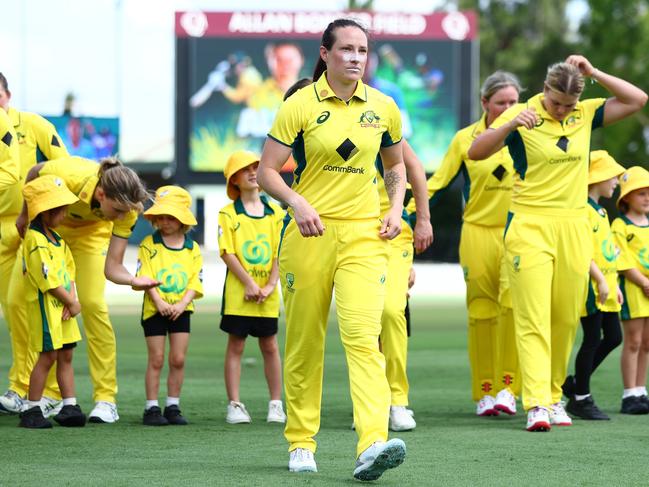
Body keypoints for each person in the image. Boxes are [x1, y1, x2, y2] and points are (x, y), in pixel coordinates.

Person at [258, 18, 408, 481]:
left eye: (362, 50)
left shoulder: (384, 107)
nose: (356, 58)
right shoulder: (298, 105)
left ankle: (373, 443)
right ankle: (301, 441)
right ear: (325, 54)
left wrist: (397, 206)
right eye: (346, 50)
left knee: (364, 338)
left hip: (365, 236)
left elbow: (396, 165)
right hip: (308, 236)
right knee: (305, 341)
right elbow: (266, 172)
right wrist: (297, 202)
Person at [468, 55, 647, 431]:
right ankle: (535, 404)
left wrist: (594, 73)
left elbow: (637, 100)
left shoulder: (584, 113)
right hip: (529, 225)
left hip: (573, 227)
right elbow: (477, 151)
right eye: (556, 103)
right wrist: (509, 125)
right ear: (544, 90)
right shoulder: (521, 113)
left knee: (565, 319)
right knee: (533, 316)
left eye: (568, 105)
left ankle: (552, 397)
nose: (563, 111)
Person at [409, 71, 522, 418]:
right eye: (501, 102)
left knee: (513, 308)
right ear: (485, 102)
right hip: (477, 232)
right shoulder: (465, 139)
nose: (508, 108)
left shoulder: (531, 133)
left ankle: (509, 388)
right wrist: (406, 215)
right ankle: (484, 392)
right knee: (481, 312)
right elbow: (438, 183)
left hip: (519, 231)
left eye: (514, 102)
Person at [15, 155, 158, 423]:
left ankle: (105, 399)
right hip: (50, 231)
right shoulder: (70, 174)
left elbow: (113, 267)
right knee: (23, 303)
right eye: (116, 210)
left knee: (93, 304)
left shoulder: (127, 211)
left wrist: (132, 280)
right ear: (101, 194)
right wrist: (25, 214)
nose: (121, 216)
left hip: (90, 238)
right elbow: (34, 171)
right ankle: (47, 394)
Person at [0, 72, 69, 415]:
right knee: (14, 310)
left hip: (31, 228)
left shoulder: (33, 125)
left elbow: (62, 164)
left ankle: (44, 389)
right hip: (2, 229)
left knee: (40, 308)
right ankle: (21, 387)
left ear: (8, 95)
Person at [218, 151, 286, 425]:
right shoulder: (227, 214)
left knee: (270, 346)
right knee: (236, 345)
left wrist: (270, 285)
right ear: (233, 179)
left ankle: (276, 404)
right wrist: (248, 283)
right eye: (244, 169)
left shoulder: (276, 213)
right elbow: (227, 252)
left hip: (267, 296)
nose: (252, 173)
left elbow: (281, 251)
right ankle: (234, 404)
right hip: (238, 295)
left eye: (255, 168)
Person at [562, 151, 624, 420]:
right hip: (591, 286)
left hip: (607, 286)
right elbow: (582, 253)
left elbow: (604, 250)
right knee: (592, 339)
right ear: (596, 177)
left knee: (613, 337)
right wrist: (599, 279)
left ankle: (575, 385)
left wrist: (614, 283)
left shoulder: (599, 210)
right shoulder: (583, 210)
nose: (616, 182)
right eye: (612, 176)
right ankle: (581, 397)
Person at [18, 175, 84, 428]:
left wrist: (71, 300)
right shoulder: (35, 239)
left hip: (63, 307)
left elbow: (70, 273)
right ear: (45, 210)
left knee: (66, 354)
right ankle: (32, 408)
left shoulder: (59, 240)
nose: (65, 213)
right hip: (46, 308)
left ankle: (69, 405)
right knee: (48, 356)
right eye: (60, 208)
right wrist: (72, 302)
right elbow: (47, 279)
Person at [137, 186, 203, 426]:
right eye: (161, 216)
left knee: (178, 359)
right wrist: (160, 301)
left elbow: (196, 280)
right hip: (155, 310)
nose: (165, 222)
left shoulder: (192, 248)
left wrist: (182, 304)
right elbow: (145, 274)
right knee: (156, 358)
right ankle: (151, 407)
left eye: (171, 217)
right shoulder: (148, 244)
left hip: (182, 311)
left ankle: (173, 405)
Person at [612, 166, 649, 415]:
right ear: (626, 198)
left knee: (647, 343)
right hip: (635, 289)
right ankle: (629, 393)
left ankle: (641, 389)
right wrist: (643, 282)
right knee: (633, 341)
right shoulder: (620, 225)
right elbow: (621, 260)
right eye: (641, 194)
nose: (647, 198)